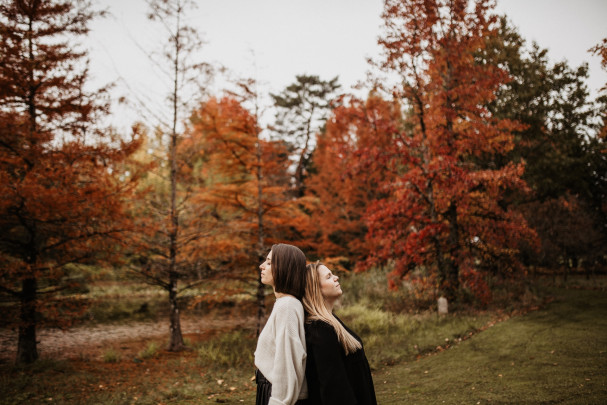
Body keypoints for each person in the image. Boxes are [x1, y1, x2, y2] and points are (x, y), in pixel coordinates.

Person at [302, 261, 377, 405]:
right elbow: (334, 388)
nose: (336, 277)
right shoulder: (320, 329)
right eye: (329, 277)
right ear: (315, 288)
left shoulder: (330, 321)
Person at [254, 243, 309, 405]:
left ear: (285, 268)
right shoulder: (285, 303)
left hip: (278, 394)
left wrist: (279, 401)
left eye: (269, 262)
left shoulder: (288, 306)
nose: (261, 266)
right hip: (271, 390)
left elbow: (288, 362)